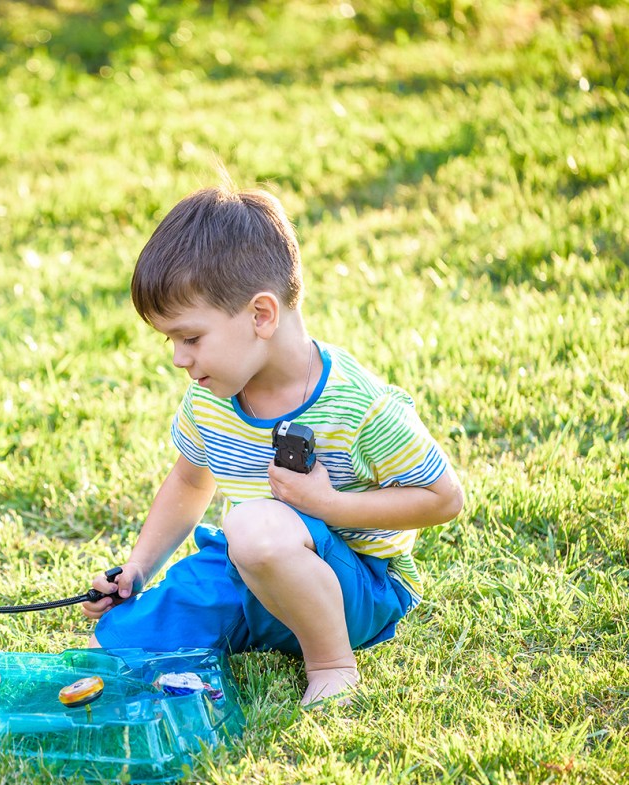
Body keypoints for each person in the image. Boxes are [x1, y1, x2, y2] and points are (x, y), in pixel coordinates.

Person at [82, 178, 464, 707]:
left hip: (354, 588)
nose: (178, 358)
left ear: (261, 315)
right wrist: (138, 568)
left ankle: (331, 665)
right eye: (170, 341)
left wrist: (330, 505)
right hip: (250, 570)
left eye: (190, 338)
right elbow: (190, 481)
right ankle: (246, 627)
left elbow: (445, 499)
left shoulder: (359, 405)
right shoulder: (210, 398)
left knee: (253, 525)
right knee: (120, 643)